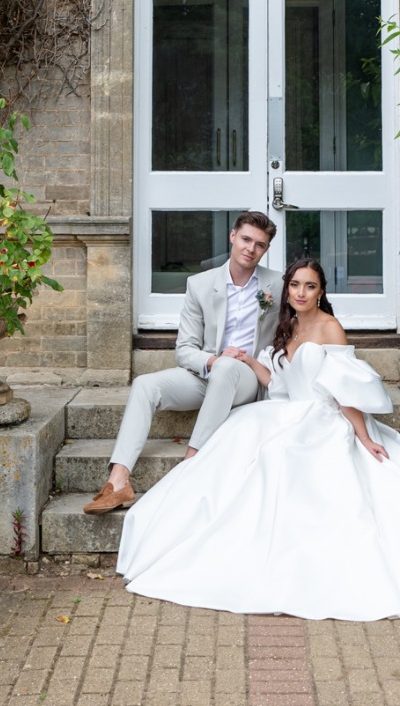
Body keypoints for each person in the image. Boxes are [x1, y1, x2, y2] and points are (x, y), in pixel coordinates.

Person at [117, 257, 400, 620]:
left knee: (284, 455)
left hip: (324, 415)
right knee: (238, 444)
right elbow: (278, 383)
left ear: (321, 292)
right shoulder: (284, 329)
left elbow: (343, 388)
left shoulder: (329, 328)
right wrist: (250, 361)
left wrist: (362, 435)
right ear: (286, 291)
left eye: (310, 287)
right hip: (284, 409)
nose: (301, 293)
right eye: (295, 285)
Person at [83, 211, 283, 514]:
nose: (250, 249)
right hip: (210, 373)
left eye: (260, 244)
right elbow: (185, 350)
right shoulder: (200, 285)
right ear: (232, 236)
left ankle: (190, 466)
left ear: (266, 249)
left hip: (247, 379)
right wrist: (214, 359)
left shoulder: (278, 285)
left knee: (229, 367)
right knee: (145, 385)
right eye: (245, 239)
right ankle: (119, 481)